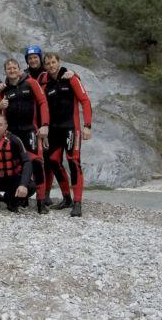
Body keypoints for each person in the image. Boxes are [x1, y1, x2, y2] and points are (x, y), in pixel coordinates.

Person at [0, 58, 50, 214]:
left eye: (14, 67)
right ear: (5, 71)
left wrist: (44, 125)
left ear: (19, 69)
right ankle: (17, 197)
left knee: (36, 163)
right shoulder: (3, 89)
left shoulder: (30, 83)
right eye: (8, 68)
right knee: (16, 165)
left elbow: (43, 102)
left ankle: (40, 202)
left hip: (29, 130)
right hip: (12, 133)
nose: (12, 70)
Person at [41, 52, 92, 217]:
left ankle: (77, 203)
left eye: (53, 62)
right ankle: (66, 198)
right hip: (54, 130)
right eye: (48, 63)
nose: (51, 66)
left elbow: (85, 101)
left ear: (59, 62)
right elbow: (42, 106)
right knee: (53, 161)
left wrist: (87, 126)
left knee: (73, 162)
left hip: (71, 128)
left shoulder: (71, 78)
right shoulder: (45, 82)